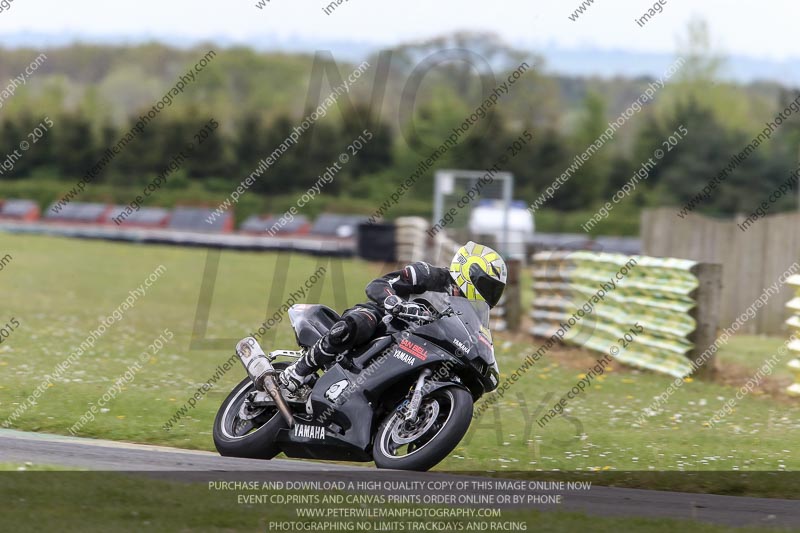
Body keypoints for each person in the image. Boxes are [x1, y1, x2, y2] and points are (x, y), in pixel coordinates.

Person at [279, 241, 507, 392]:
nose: (490, 294)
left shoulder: (471, 312)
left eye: (495, 290)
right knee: (362, 322)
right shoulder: (430, 275)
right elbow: (378, 284)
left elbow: (474, 335)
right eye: (488, 286)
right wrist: (393, 302)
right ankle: (299, 371)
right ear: (470, 273)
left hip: (420, 346)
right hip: (387, 320)